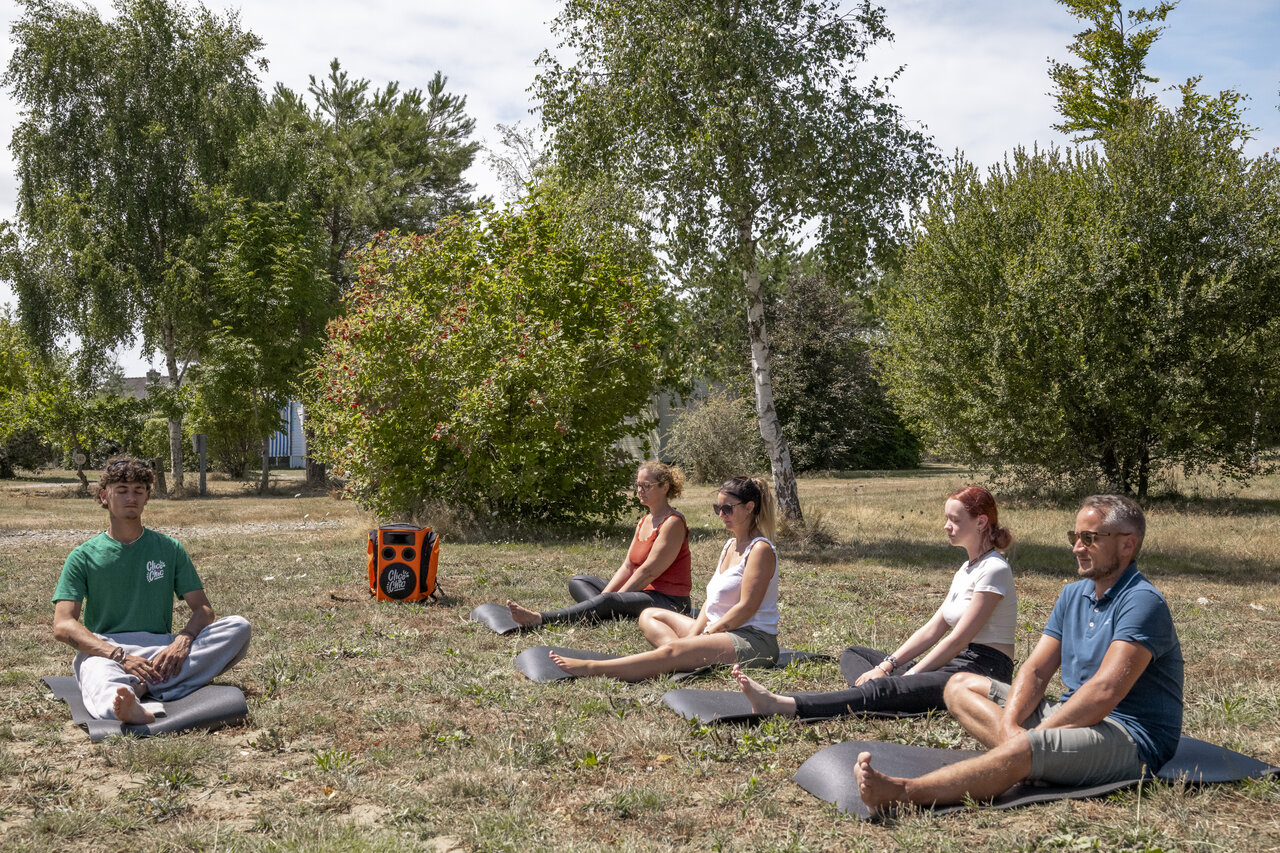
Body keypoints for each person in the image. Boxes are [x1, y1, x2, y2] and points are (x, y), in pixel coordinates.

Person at [855, 494, 1183, 815]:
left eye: (1089, 538)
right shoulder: (1073, 594)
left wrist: (1038, 738)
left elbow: (1104, 691)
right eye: (1075, 536)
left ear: (1127, 544)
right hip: (1073, 713)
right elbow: (1037, 670)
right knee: (958, 686)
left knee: (1027, 746)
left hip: (1130, 738)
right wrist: (1012, 727)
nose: (1076, 548)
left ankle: (904, 792)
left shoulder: (1142, 602)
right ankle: (1030, 758)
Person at [734, 485, 1016, 720]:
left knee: (887, 688)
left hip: (982, 672)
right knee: (855, 654)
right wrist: (887, 666)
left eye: (955, 519)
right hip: (955, 663)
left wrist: (911, 675)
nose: (946, 526)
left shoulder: (995, 569)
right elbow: (933, 629)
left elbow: (957, 639)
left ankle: (785, 705)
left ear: (980, 522)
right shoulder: (967, 569)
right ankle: (889, 693)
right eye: (947, 518)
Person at [51, 456, 252, 724]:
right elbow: (63, 625)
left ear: (147, 497)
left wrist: (183, 640)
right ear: (103, 496)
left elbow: (203, 609)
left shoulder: (169, 548)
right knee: (97, 675)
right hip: (107, 650)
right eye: (122, 491)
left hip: (162, 650)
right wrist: (117, 655)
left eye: (139, 490)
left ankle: (144, 686)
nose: (131, 497)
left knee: (238, 627)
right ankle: (129, 704)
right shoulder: (83, 556)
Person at [549, 476, 778, 681]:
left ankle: (593, 668)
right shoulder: (730, 545)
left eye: (727, 508)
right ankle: (685, 656)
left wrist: (706, 635)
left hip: (752, 640)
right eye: (718, 507)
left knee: (672, 651)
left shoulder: (760, 550)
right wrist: (694, 635)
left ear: (749, 508)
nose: (721, 514)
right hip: (720, 629)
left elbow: (747, 607)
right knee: (649, 614)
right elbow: (712, 601)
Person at [506, 461, 692, 627]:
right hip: (642, 591)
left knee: (608, 600)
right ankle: (603, 612)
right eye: (638, 485)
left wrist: (617, 598)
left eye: (646, 486)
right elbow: (627, 566)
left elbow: (648, 572)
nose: (639, 490)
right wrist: (608, 597)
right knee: (579, 581)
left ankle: (539, 619)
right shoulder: (644, 521)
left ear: (664, 487)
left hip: (669, 602)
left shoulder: (673, 523)